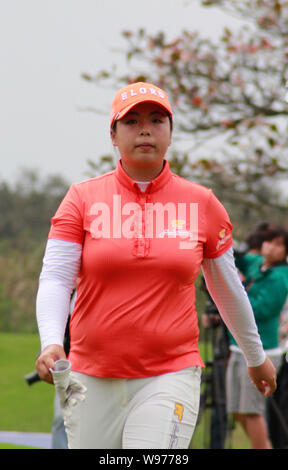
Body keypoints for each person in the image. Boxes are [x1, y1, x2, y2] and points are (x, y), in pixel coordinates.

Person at [35, 81, 276, 449]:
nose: (145, 129)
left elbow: (227, 287)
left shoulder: (202, 203)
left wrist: (254, 356)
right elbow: (55, 277)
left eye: (156, 119)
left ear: (170, 131)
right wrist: (52, 342)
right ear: (113, 135)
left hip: (170, 372)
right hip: (90, 375)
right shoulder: (81, 199)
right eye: (131, 121)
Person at [226, 225, 288, 449]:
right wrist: (235, 247)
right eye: (270, 241)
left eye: (280, 244)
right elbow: (236, 259)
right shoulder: (256, 263)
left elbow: (260, 309)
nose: (272, 247)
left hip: (262, 352)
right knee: (237, 410)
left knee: (252, 412)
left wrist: (232, 299)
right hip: (237, 347)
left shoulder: (281, 276)